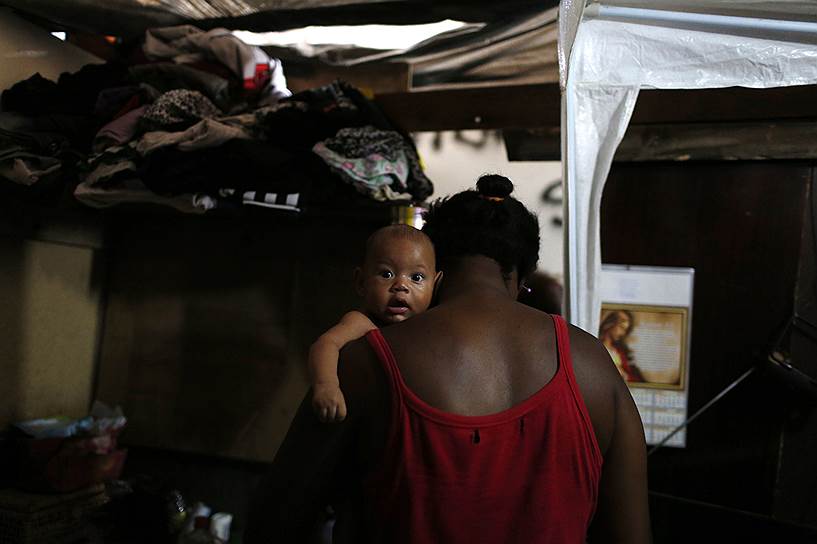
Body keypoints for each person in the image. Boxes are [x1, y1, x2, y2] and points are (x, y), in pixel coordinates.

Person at [246, 175, 651, 544]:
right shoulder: (596, 367)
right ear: (521, 276)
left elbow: (275, 520)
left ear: (435, 266)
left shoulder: (368, 359)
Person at [308, 224, 442, 422]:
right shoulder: (363, 322)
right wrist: (326, 386)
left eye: (416, 277)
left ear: (435, 284)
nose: (401, 286)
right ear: (361, 282)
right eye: (387, 274)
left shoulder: (430, 325)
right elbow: (325, 344)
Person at [599, 309, 644, 383]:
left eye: (625, 330)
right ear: (611, 323)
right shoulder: (596, 346)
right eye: (621, 328)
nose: (623, 333)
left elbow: (630, 377)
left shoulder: (620, 352)